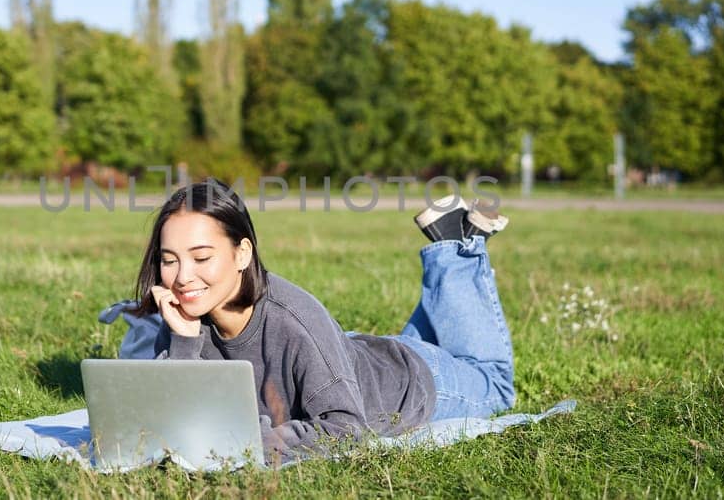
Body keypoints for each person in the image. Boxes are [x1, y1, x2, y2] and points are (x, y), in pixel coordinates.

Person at [134, 179, 515, 462]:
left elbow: (346, 429)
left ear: (242, 253)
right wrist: (183, 340)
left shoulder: (292, 319)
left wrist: (249, 444)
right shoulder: (186, 314)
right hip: (355, 357)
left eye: (201, 258)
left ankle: (456, 249)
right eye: (169, 260)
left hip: (411, 385)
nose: (182, 277)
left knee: (496, 385)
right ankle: (455, 240)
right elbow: (178, 419)